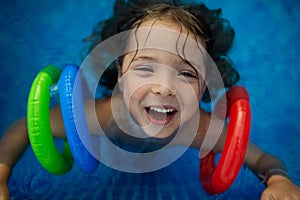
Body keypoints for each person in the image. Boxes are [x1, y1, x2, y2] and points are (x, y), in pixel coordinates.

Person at [0, 1, 300, 199]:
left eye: (186, 73)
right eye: (144, 68)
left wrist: (278, 180)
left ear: (203, 86)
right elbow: (26, 127)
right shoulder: (103, 116)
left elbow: (262, 159)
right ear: (120, 73)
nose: (164, 88)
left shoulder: (199, 129)